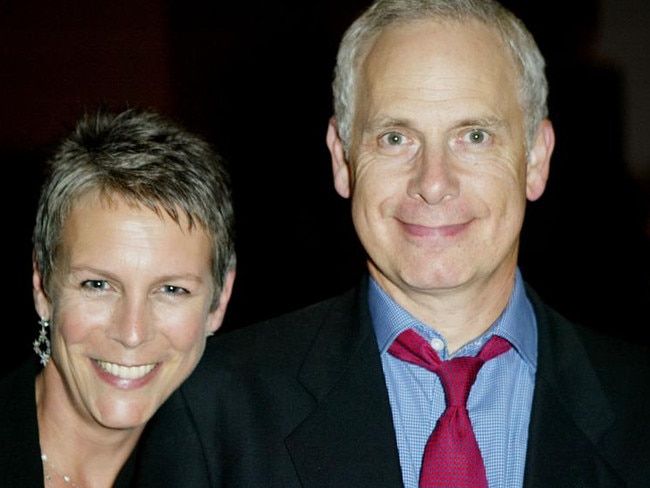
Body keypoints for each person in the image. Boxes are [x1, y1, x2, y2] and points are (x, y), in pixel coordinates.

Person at [133, 0, 650, 487]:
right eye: (395, 138)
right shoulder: (213, 406)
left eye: (474, 136)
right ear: (342, 158)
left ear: (536, 159)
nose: (432, 182)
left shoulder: (639, 402)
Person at [0, 107, 236, 487]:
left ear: (219, 300)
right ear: (42, 285)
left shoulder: (235, 466)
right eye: (98, 285)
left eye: (172, 290)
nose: (131, 332)